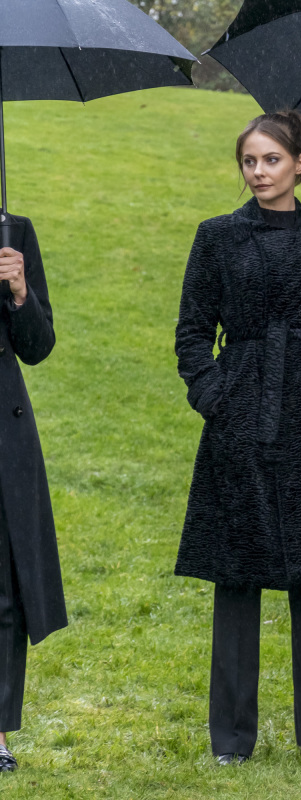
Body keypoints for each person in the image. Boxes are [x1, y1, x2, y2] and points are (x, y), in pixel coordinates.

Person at [174, 110, 301, 767]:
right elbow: (192, 332)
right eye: (249, 161)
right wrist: (213, 394)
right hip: (240, 413)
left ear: (299, 164)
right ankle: (231, 740)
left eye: (271, 160)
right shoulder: (217, 237)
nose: (259, 172)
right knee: (236, 573)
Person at [0, 218, 68, 773]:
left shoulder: (13, 234)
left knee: (3, 592)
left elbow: (39, 347)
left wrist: (21, 292)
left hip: (4, 435)